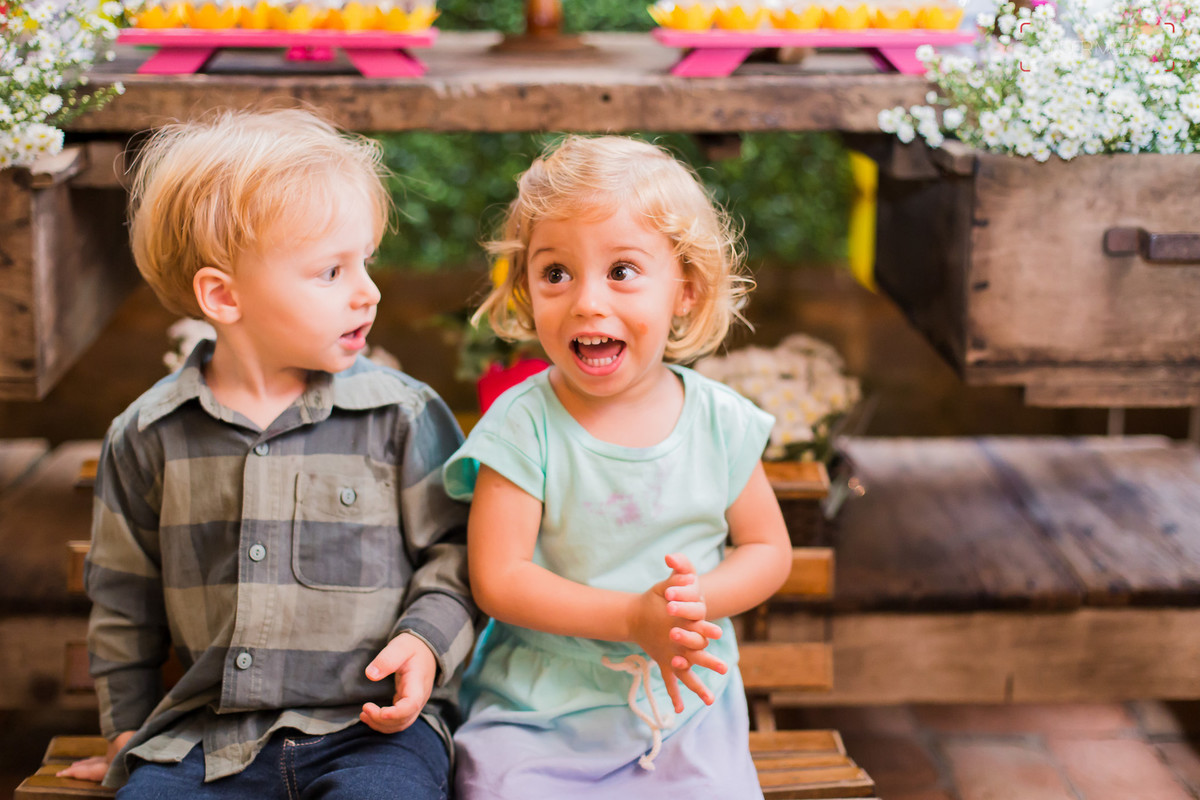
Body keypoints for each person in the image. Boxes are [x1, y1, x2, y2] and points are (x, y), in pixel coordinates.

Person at [58, 108, 476, 799]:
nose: (367, 291)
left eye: (364, 260)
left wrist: (425, 641)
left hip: (370, 733)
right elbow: (123, 602)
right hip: (203, 742)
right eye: (331, 271)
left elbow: (457, 551)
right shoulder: (149, 435)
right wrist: (127, 735)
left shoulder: (399, 415)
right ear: (223, 295)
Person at [442, 135, 793, 798]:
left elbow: (767, 548)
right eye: (555, 273)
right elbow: (499, 578)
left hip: (685, 701)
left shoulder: (718, 422)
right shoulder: (526, 425)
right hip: (541, 707)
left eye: (622, 271)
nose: (586, 302)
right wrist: (633, 620)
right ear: (525, 291)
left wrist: (688, 607)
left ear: (685, 289)